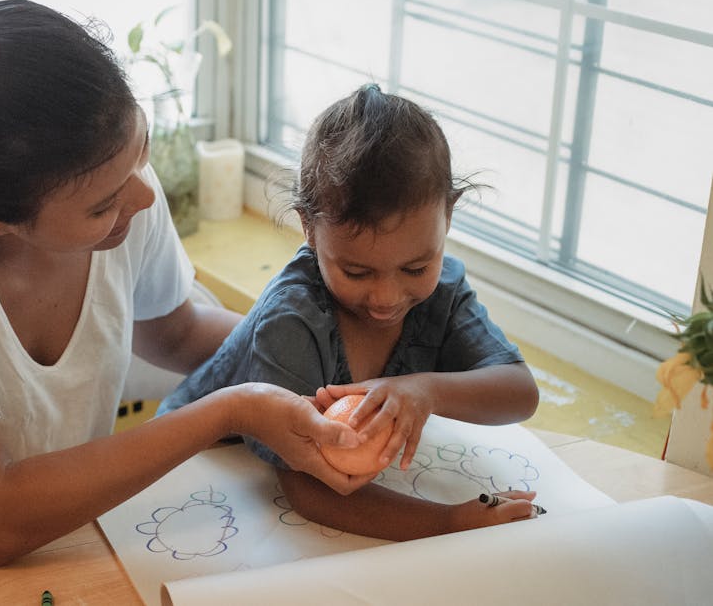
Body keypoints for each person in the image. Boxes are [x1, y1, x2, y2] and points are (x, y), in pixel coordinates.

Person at [0, 0, 364, 603]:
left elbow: (173, 330)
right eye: (102, 205)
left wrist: (326, 361)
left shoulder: (116, 183)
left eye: (138, 153)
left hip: (40, 566)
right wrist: (230, 409)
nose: (141, 198)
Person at [158, 83, 542, 542]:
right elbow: (308, 488)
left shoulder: (442, 291)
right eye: (358, 272)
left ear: (448, 217)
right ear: (310, 230)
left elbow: (519, 391)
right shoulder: (293, 319)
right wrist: (449, 524)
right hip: (190, 477)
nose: (386, 296)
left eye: (416, 267)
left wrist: (425, 391)